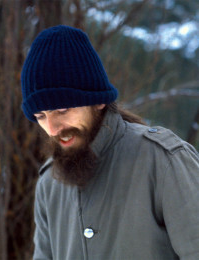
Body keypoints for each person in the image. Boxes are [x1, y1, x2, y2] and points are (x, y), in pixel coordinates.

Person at [20, 25, 199, 260]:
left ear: (98, 101)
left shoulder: (163, 161)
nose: (52, 129)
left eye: (62, 109)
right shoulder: (49, 183)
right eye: (41, 116)